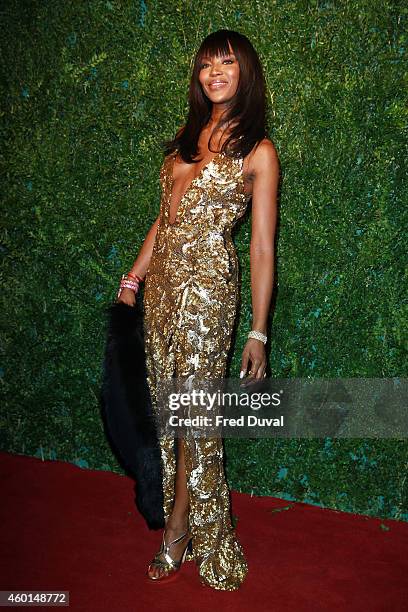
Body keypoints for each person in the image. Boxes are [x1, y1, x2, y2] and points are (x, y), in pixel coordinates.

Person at [116, 29, 279, 591]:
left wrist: (258, 331)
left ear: (246, 73)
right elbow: (163, 220)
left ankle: (180, 531)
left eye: (227, 63)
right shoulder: (184, 141)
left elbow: (261, 248)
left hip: (209, 293)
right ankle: (178, 520)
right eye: (208, 64)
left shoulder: (257, 151)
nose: (216, 73)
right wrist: (132, 278)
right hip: (161, 290)